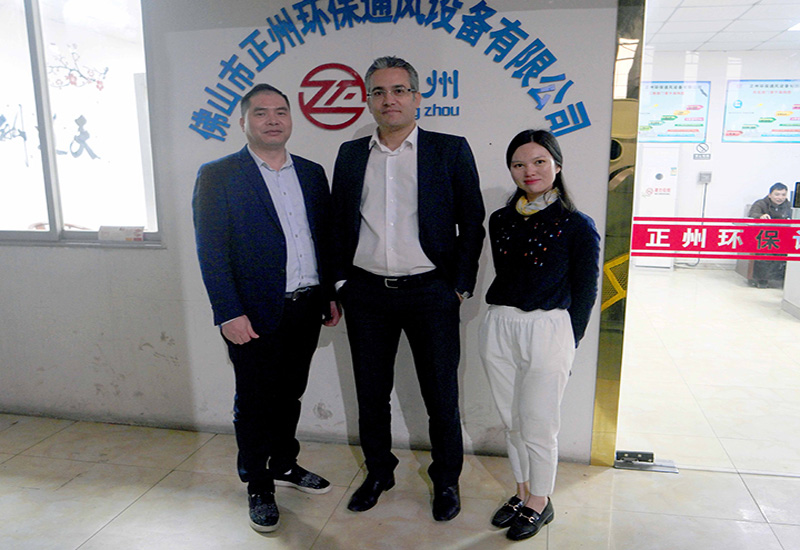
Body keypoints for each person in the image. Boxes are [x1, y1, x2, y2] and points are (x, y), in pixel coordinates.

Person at [331, 56, 485, 521]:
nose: (389, 100)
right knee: (371, 393)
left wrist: (459, 286)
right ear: (368, 100)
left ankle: (447, 480)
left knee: (441, 395)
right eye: (378, 92)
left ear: (417, 97)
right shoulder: (350, 154)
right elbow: (338, 223)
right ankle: (379, 472)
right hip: (367, 294)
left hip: (431, 292)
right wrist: (341, 282)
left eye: (399, 90)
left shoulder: (449, 149)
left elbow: (472, 222)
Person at [192, 83, 340, 533]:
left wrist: (329, 293)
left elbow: (323, 237)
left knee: (290, 393)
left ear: (291, 119)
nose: (272, 120)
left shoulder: (311, 173)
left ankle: (284, 464)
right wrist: (227, 312)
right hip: (252, 312)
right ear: (243, 122)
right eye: (260, 113)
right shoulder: (219, 175)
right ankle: (258, 483)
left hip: (305, 306)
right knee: (255, 400)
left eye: (280, 112)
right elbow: (211, 251)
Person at [479, 129, 600, 541]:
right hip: (500, 324)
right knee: (512, 420)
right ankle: (521, 491)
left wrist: (569, 341)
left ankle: (540, 500)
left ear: (557, 165)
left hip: (549, 328)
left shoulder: (576, 224)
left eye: (538, 162)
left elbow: (586, 291)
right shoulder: (500, 220)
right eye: (518, 164)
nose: (528, 171)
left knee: (539, 423)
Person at [748, 182, 791, 288]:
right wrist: (760, 216)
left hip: (783, 236)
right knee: (765, 251)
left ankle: (783, 280)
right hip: (764, 236)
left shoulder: (788, 206)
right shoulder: (761, 203)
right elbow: (752, 214)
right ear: (770, 195)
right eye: (777, 194)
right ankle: (762, 280)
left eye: (783, 195)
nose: (780, 198)